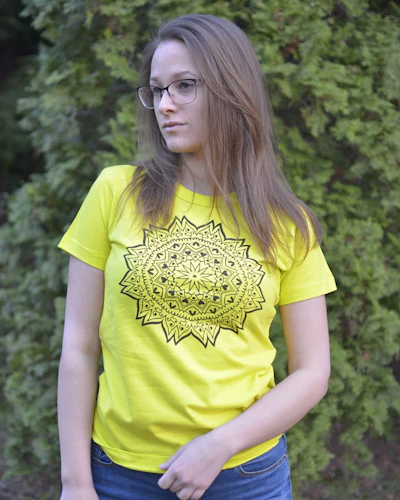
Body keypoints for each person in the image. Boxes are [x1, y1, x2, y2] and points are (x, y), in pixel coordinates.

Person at [57, 13, 336, 500]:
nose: (165, 105)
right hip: (118, 475)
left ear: (232, 90)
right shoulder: (115, 191)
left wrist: (220, 445)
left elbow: (313, 372)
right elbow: (79, 345)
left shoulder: (288, 224)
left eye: (184, 86)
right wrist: (75, 482)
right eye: (157, 90)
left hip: (244, 476)